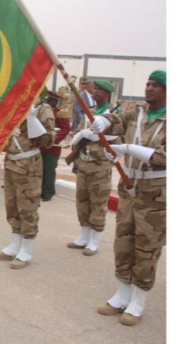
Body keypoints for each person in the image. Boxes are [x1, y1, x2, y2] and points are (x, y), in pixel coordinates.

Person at [92, 70, 166, 326]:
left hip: (156, 195)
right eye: (148, 84)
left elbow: (164, 157)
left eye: (156, 85)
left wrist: (128, 149)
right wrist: (103, 121)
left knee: (147, 247)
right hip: (130, 189)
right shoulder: (138, 112)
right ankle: (121, 295)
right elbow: (117, 120)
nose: (149, 88)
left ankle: (138, 300)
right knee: (123, 243)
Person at [0, 99, 55, 269]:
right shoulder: (15, 102)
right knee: (12, 206)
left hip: (29, 166)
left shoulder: (42, 108)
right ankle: (14, 245)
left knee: (28, 208)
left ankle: (26, 250)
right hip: (12, 163)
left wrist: (33, 120)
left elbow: (49, 141)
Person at [67, 80, 119, 256]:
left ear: (108, 94)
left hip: (100, 166)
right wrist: (82, 134)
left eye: (100, 90)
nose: (95, 92)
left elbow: (119, 140)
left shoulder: (114, 115)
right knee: (82, 201)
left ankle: (94, 240)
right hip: (84, 162)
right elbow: (77, 136)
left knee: (98, 203)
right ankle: (84, 236)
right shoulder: (89, 112)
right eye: (94, 89)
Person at [41, 91, 71, 201]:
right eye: (47, 100)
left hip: (52, 147)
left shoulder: (60, 113)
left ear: (55, 102)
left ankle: (48, 192)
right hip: (39, 145)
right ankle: (39, 189)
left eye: (51, 100)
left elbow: (66, 129)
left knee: (49, 170)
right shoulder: (41, 111)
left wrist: (54, 138)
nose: (48, 102)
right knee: (39, 169)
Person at [71, 78, 96, 174]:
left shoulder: (93, 97)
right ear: (88, 87)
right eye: (94, 87)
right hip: (80, 126)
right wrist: (86, 122)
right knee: (78, 147)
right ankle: (76, 167)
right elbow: (77, 111)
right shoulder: (81, 96)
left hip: (90, 128)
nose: (95, 89)